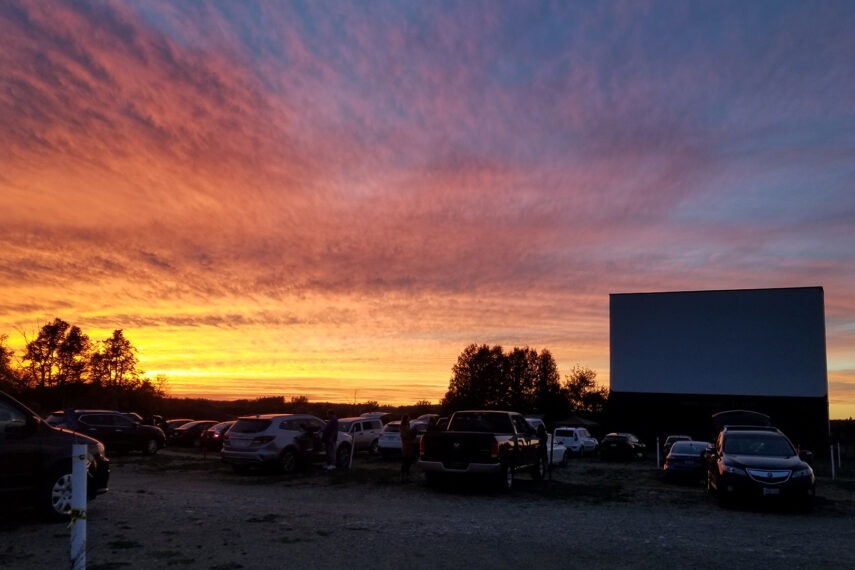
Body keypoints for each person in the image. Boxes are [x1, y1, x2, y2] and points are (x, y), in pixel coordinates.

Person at [399, 414, 417, 483]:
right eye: (408, 419)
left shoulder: (407, 426)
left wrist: (413, 431)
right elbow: (406, 435)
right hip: (406, 448)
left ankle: (406, 476)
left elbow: (410, 435)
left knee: (409, 462)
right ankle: (403, 477)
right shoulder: (403, 427)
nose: (409, 420)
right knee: (405, 462)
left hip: (409, 447)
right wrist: (412, 431)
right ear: (405, 420)